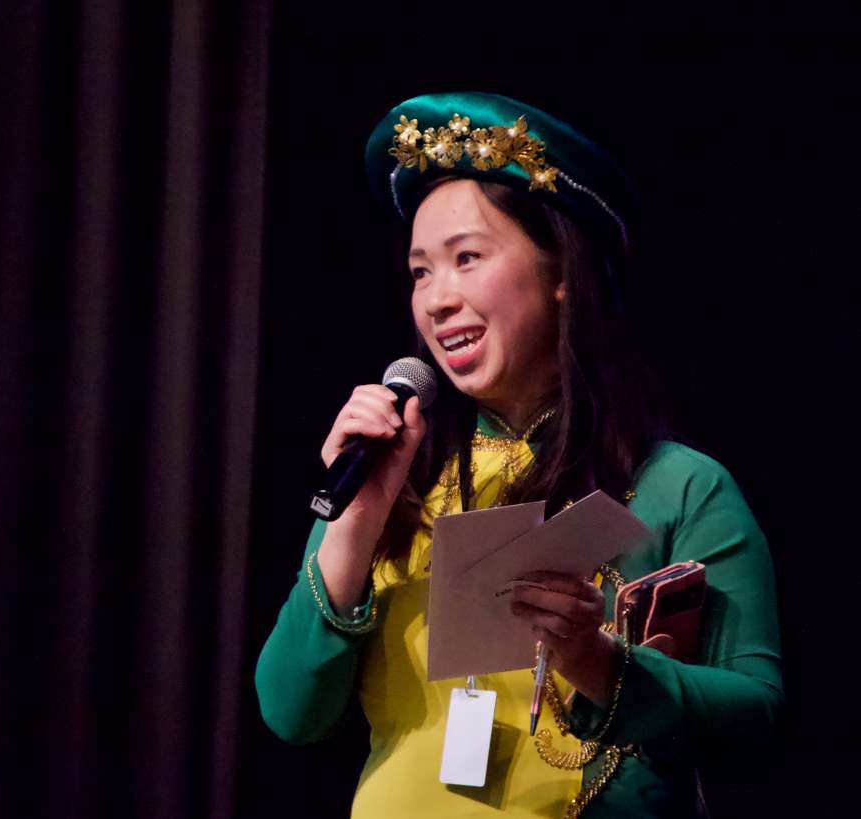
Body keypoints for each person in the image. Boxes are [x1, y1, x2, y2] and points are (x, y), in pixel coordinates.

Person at [254, 92, 783, 818]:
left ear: (560, 270)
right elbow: (290, 710)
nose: (437, 299)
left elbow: (756, 723)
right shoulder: (392, 478)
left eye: (467, 258)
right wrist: (357, 518)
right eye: (420, 272)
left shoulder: (677, 486)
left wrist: (597, 660)